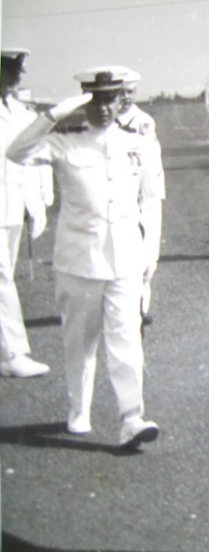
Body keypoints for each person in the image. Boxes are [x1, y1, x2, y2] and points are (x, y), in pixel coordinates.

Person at [7, 66, 160, 447]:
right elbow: (15, 151)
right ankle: (79, 410)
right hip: (79, 261)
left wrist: (149, 255)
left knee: (127, 341)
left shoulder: (139, 143)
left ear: (121, 100)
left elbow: (150, 202)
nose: (103, 108)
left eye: (110, 99)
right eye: (94, 100)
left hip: (126, 259)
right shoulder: (65, 143)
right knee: (79, 343)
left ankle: (132, 418)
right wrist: (55, 113)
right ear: (83, 102)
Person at [0, 48, 51, 378]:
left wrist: (39, 203)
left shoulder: (22, 112)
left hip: (12, 205)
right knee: (1, 278)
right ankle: (11, 354)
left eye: (19, 70)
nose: (18, 75)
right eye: (10, 68)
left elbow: (35, 159)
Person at [117, 69, 165, 326]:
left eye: (130, 92)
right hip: (121, 194)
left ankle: (141, 306)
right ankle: (126, 306)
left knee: (148, 256)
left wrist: (151, 196)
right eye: (120, 92)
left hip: (146, 193)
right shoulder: (107, 121)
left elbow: (150, 164)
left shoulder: (143, 121)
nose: (125, 97)